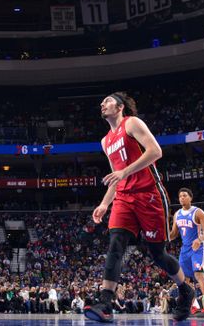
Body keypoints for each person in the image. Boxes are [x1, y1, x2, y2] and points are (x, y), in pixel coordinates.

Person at [83, 93, 194, 323]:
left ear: (120, 106)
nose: (103, 104)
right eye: (102, 102)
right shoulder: (105, 141)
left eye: (108, 101)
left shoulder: (131, 123)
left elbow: (156, 151)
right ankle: (105, 301)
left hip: (149, 194)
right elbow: (116, 176)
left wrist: (125, 172)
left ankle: (185, 290)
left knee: (158, 254)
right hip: (123, 197)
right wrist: (104, 203)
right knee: (115, 243)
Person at [170, 188, 204, 318]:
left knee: (199, 275)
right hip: (185, 249)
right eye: (180, 196)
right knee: (184, 279)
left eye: (184, 196)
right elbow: (174, 234)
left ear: (190, 197)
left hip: (199, 247)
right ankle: (194, 306)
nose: (182, 198)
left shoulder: (198, 212)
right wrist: (164, 238)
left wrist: (199, 239)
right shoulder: (177, 214)